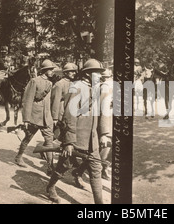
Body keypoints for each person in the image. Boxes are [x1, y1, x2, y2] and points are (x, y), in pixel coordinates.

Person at [46, 58, 110, 204]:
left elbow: (102, 113)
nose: (100, 76)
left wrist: (104, 134)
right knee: (64, 165)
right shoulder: (77, 87)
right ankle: (50, 187)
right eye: (97, 73)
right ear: (88, 74)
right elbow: (69, 116)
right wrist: (69, 142)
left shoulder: (97, 89)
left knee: (96, 169)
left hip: (92, 140)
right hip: (76, 139)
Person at [14, 59, 56, 168]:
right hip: (34, 116)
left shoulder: (50, 83)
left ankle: (50, 166)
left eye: (52, 69)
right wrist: (26, 119)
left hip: (46, 117)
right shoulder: (34, 81)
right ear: (45, 70)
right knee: (28, 138)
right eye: (50, 69)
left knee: (49, 142)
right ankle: (18, 157)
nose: (52, 71)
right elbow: (27, 100)